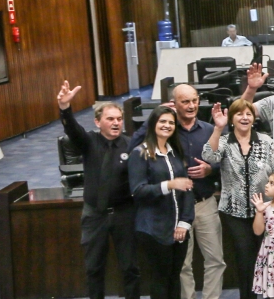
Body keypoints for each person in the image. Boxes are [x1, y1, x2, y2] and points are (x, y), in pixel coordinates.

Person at [129, 84, 224, 299]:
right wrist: (154, 119)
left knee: (215, 260)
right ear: (175, 104)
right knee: (181, 266)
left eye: (194, 100)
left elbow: (224, 163)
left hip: (203, 203)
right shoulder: (167, 135)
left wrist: (210, 169)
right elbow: (133, 150)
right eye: (185, 102)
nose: (191, 106)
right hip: (173, 210)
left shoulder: (209, 130)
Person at [57, 81, 139, 299]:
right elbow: (72, 130)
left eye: (119, 119)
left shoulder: (130, 145)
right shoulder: (89, 142)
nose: (116, 123)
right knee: (93, 269)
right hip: (95, 215)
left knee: (130, 268)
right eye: (110, 119)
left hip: (124, 213)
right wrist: (65, 108)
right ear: (97, 121)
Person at [202, 99, 274, 299]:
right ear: (231, 118)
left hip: (265, 210)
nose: (245, 117)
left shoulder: (266, 141)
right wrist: (218, 128)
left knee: (268, 258)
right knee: (245, 259)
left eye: (248, 114)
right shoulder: (224, 141)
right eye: (239, 114)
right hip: (234, 212)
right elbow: (209, 156)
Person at [128, 106, 195, 299]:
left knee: (175, 278)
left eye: (171, 122)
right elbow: (138, 191)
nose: (167, 125)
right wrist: (169, 185)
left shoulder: (175, 152)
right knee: (160, 279)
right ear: (153, 124)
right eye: (162, 121)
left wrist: (184, 222)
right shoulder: (140, 154)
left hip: (179, 228)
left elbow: (188, 189)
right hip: (153, 228)